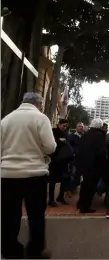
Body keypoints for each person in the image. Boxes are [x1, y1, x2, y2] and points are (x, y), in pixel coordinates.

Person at [1, 92, 56, 259]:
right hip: (34, 174)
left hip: (8, 174)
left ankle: (10, 250)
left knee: (9, 215)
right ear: (38, 104)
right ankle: (35, 250)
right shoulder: (40, 118)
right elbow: (50, 147)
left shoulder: (6, 120)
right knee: (36, 215)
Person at [77, 118, 107, 213]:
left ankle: (80, 203)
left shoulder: (86, 134)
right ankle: (85, 206)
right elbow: (100, 152)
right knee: (91, 187)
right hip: (94, 166)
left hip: (84, 164)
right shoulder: (99, 136)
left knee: (84, 185)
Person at [48, 119, 73, 207]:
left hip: (63, 160)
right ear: (59, 124)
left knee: (65, 179)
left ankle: (61, 197)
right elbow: (51, 143)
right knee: (52, 181)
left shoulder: (66, 133)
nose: (65, 127)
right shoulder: (53, 131)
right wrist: (59, 141)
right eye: (63, 126)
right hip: (54, 160)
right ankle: (51, 199)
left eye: (66, 126)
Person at [68, 122, 84, 194]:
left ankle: (73, 187)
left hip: (81, 160)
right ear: (76, 127)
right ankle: (70, 189)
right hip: (74, 159)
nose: (81, 128)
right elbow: (68, 146)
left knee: (78, 176)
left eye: (82, 126)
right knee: (73, 174)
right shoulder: (71, 136)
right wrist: (72, 153)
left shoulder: (85, 136)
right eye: (79, 126)